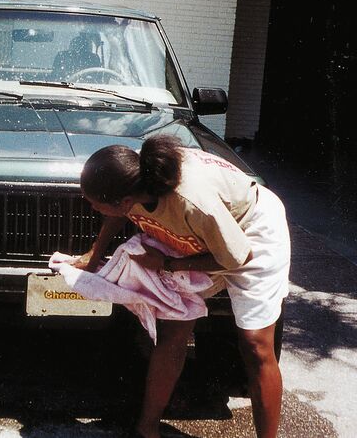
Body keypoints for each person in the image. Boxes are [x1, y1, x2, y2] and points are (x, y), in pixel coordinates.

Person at [77, 135, 290, 438]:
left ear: (122, 201)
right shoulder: (132, 176)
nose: (92, 208)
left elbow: (238, 257)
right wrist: (94, 254)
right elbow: (116, 215)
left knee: (256, 345)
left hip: (249, 231)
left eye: (95, 204)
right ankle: (147, 428)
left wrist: (167, 264)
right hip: (201, 236)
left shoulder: (191, 201)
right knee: (174, 328)